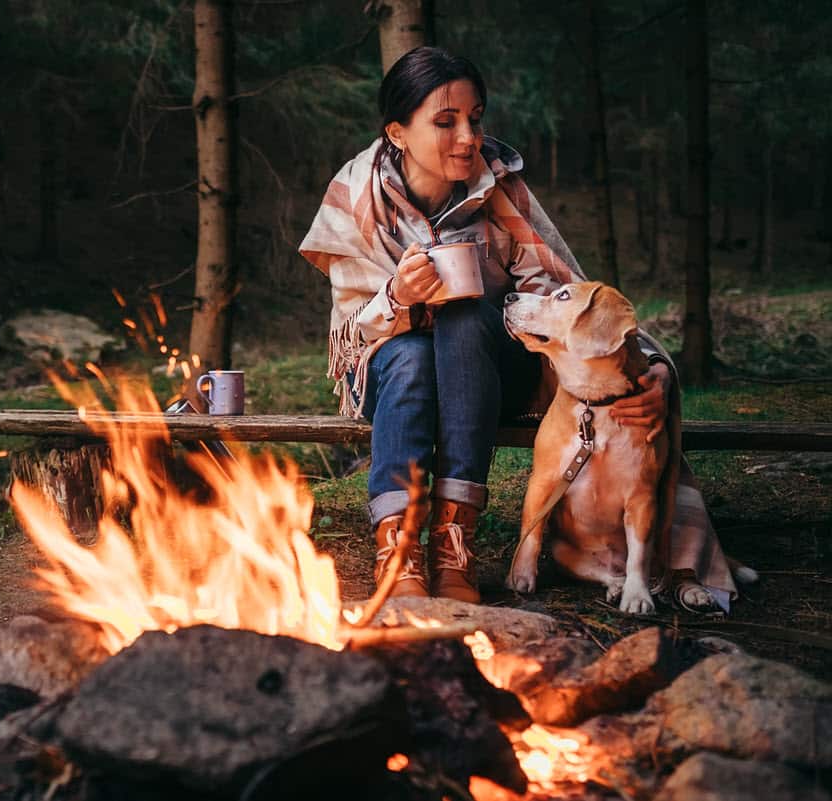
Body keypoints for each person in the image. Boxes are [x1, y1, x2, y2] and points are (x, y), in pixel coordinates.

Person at [299, 46, 738, 610]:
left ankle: (455, 542)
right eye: (445, 122)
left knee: (464, 313)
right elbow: (353, 338)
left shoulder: (500, 190)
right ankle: (400, 548)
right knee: (410, 357)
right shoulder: (356, 195)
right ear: (398, 133)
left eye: (475, 119)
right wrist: (397, 297)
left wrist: (648, 369)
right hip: (389, 378)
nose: (468, 138)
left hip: (487, 376)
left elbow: (574, 300)